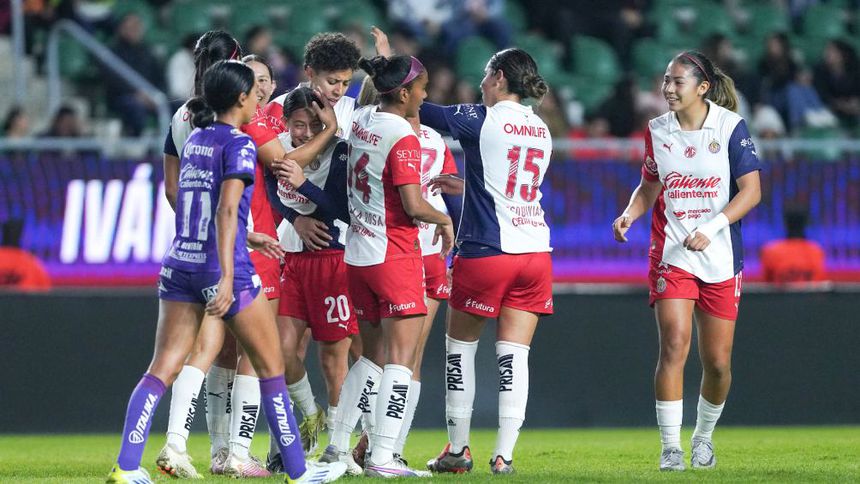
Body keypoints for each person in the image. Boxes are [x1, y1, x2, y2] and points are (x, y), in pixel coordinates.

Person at [106, 60, 347, 484]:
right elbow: (227, 209)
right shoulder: (240, 143)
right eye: (255, 91)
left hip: (179, 263)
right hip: (223, 268)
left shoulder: (196, 139)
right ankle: (298, 471)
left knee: (161, 368)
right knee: (270, 366)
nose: (260, 99)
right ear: (240, 98)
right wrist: (227, 277)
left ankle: (126, 467)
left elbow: (193, 202)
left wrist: (251, 237)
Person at [612, 50, 762, 471]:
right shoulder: (657, 130)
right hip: (672, 253)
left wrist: (712, 228)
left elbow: (752, 191)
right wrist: (629, 213)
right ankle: (670, 448)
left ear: (703, 87)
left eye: (678, 81)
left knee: (717, 363)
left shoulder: (729, 127)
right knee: (674, 345)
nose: (668, 88)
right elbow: (649, 186)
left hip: (720, 255)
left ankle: (703, 438)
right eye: (666, 80)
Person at [419, 48, 554, 475]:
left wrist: (389, 66)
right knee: (515, 356)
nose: (480, 83)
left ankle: (458, 451)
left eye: (484, 75)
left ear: (498, 77)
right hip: (535, 252)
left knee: (460, 350)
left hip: (487, 251)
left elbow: (416, 107)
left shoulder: (482, 117)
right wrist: (468, 184)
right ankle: (504, 456)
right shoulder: (541, 127)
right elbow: (508, 183)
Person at [324, 54, 454, 478]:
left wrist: (381, 58)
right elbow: (414, 205)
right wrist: (444, 219)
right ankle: (383, 456)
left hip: (358, 255)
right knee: (401, 360)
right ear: (403, 94)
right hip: (393, 254)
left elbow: (372, 94)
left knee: (370, 358)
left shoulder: (362, 119)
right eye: (421, 88)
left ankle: (336, 447)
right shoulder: (403, 136)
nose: (425, 96)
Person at [262, 87, 359, 473]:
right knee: (280, 352)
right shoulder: (278, 147)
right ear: (286, 122)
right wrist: (295, 218)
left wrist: (302, 184)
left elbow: (341, 208)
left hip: (333, 257)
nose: (305, 132)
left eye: (315, 125)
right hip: (293, 258)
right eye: (298, 125)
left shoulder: (340, 150)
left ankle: (339, 445)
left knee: (334, 359)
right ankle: (310, 412)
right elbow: (269, 190)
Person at [760, 208, 826, 284]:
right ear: (805, 225)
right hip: (809, 292)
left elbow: (768, 285)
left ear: (786, 225)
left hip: (782, 292)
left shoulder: (771, 251)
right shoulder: (816, 251)